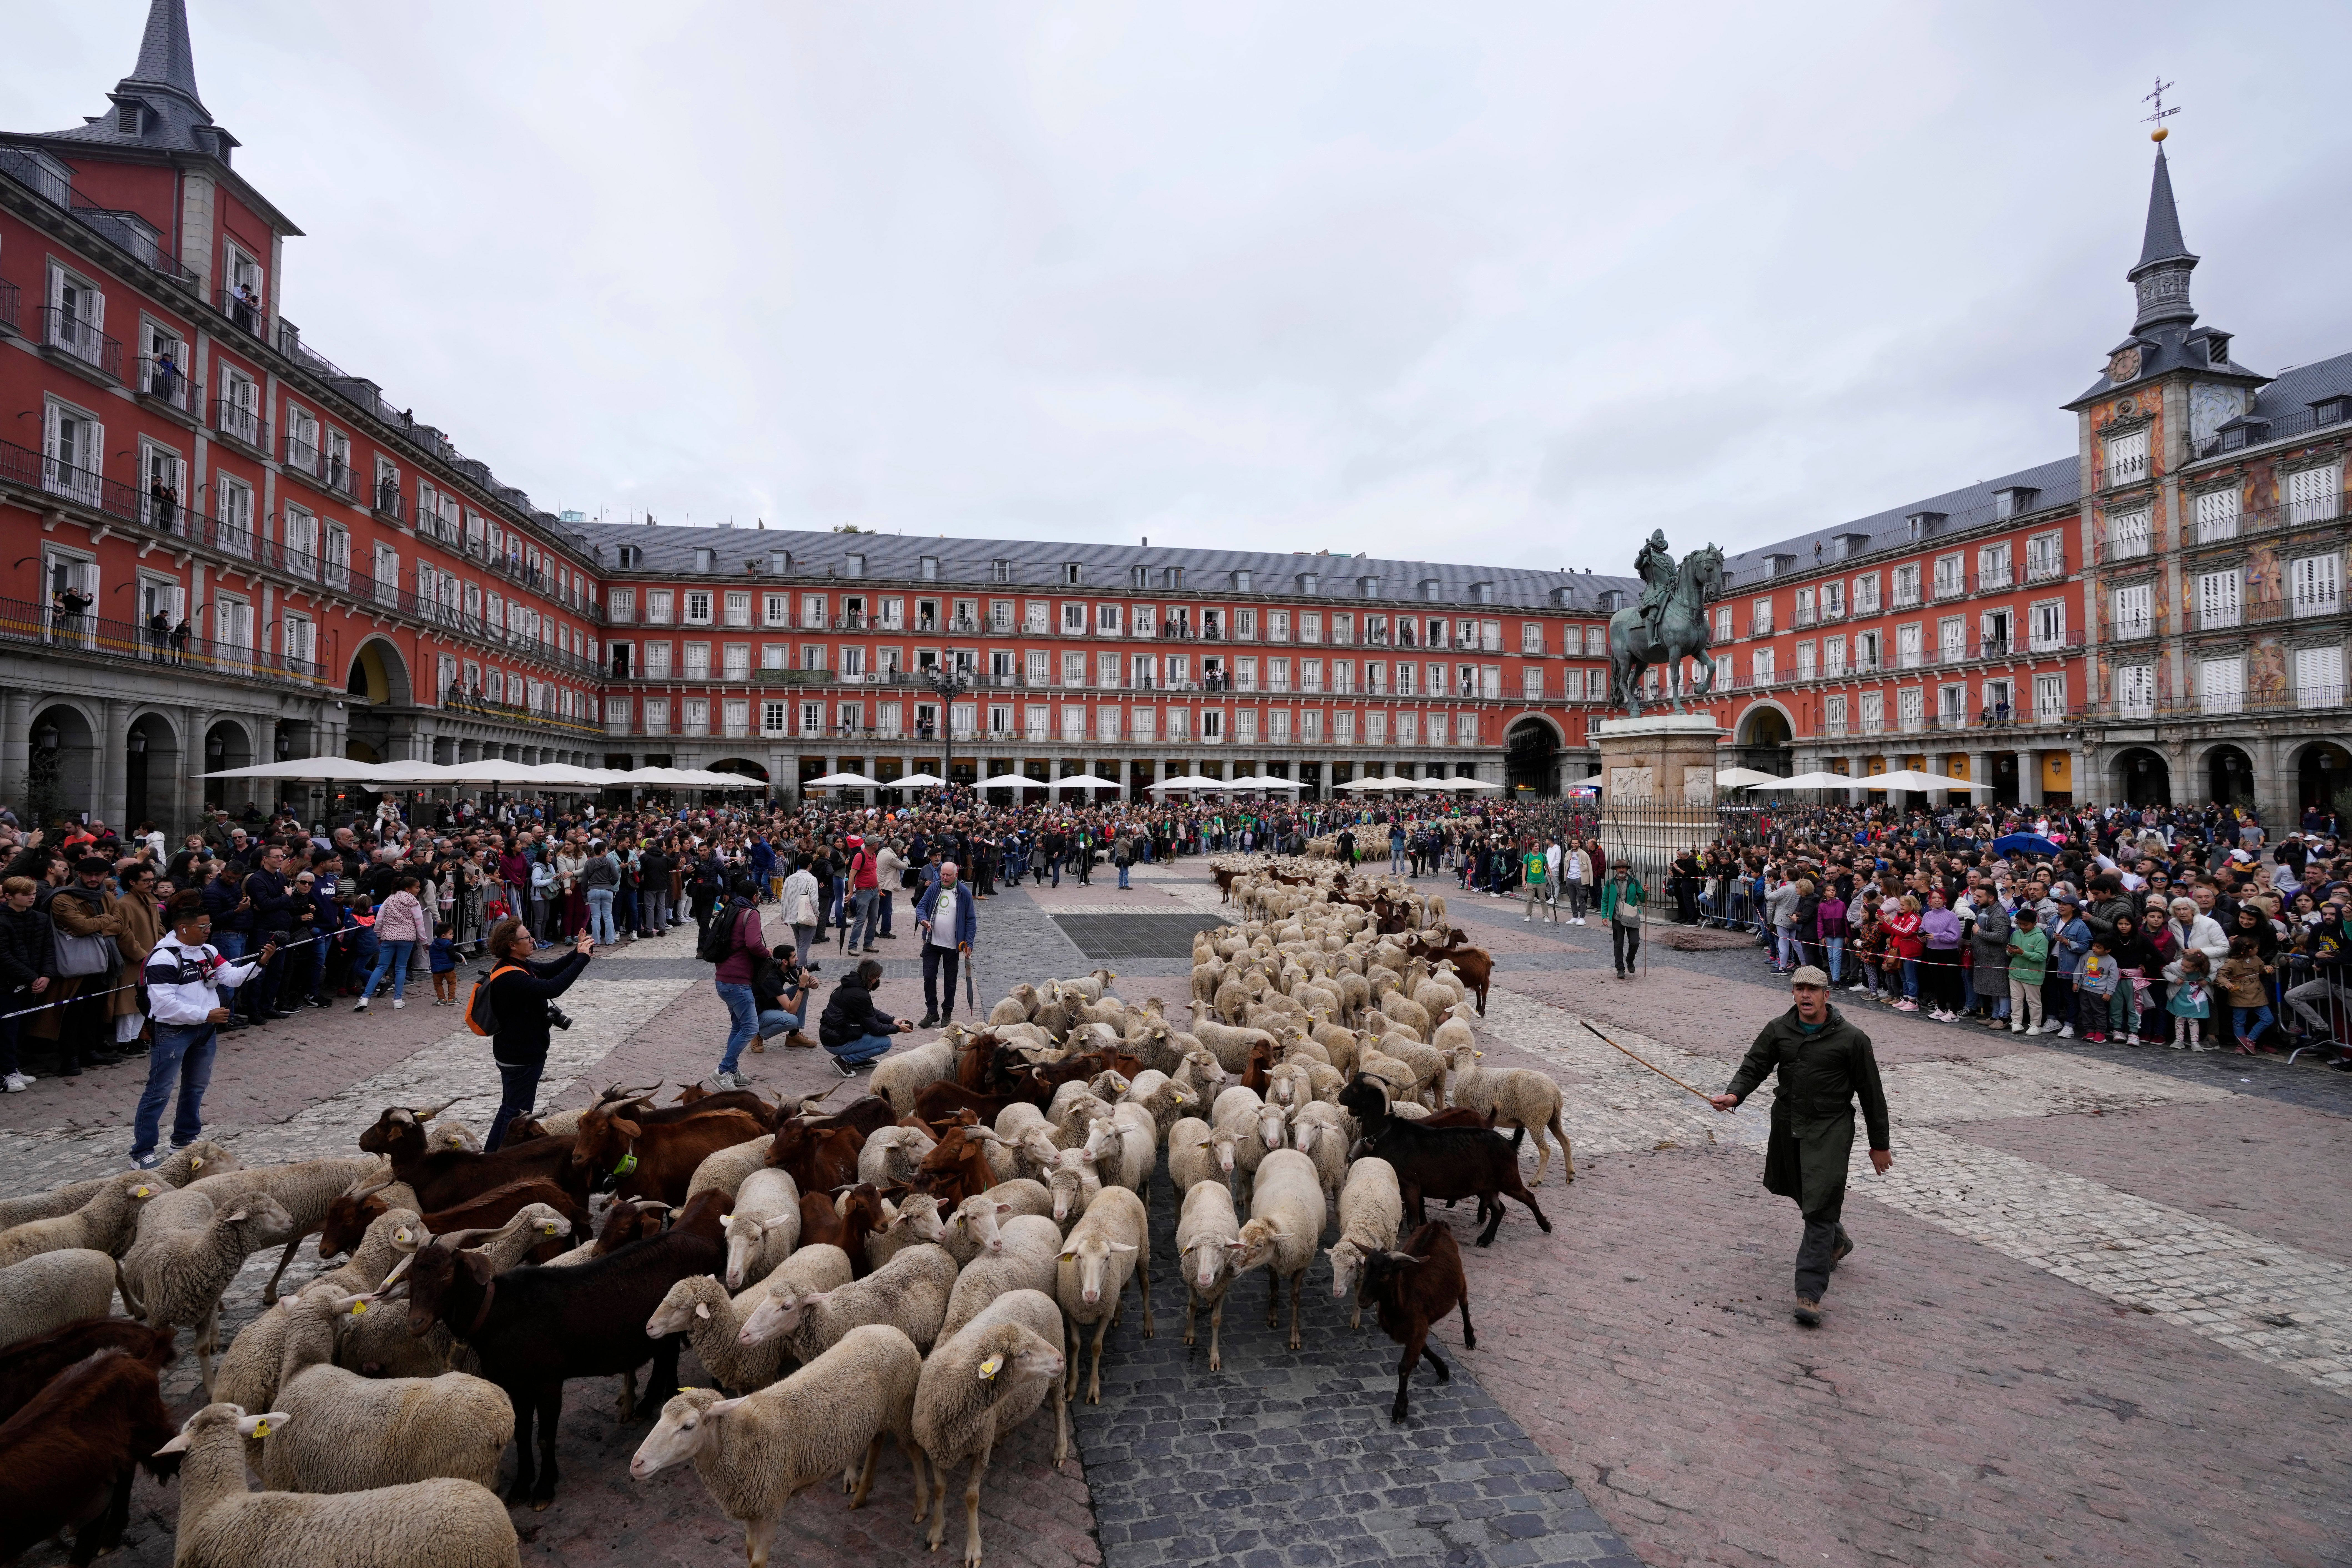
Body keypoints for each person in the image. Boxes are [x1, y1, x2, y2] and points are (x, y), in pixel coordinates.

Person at [1710, 966, 1893, 1329]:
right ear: (1793, 994)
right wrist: (1735, 1094)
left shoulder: (1853, 1039)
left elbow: (1873, 1096)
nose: (1805, 995)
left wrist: (1879, 1145)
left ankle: (1808, 1294)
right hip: (1788, 1125)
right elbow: (1755, 1065)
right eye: (1799, 989)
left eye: (1813, 989)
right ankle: (1837, 1240)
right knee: (1800, 1191)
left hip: (1830, 1130)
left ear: (1827, 995)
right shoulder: (1779, 1029)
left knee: (1821, 1205)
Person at [133, 892, 273, 1168]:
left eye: (210, 926)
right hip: (174, 1031)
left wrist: (259, 963)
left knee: (195, 1087)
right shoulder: (163, 957)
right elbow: (163, 1005)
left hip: (205, 1031)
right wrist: (205, 1014)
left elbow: (231, 977)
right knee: (159, 1091)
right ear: (184, 928)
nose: (210, 931)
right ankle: (142, 1151)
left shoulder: (208, 951)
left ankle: (184, 1140)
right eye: (204, 927)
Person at [481, 918, 593, 1149]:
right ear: (512, 945)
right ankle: (502, 1160)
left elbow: (551, 970)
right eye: (526, 937)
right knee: (518, 1115)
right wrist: (582, 959)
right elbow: (552, 988)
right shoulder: (510, 975)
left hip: (516, 1051)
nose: (533, 940)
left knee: (509, 1108)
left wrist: (576, 952)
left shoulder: (517, 964)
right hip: (521, 1056)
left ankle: (491, 1154)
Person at [708, 878, 765, 1090]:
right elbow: (753, 944)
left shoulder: (729, 911)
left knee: (738, 1025)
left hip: (723, 978)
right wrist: (767, 952)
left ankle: (732, 1070)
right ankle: (723, 1071)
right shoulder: (751, 914)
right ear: (754, 897)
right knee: (751, 1027)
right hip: (738, 982)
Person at [818, 956, 910, 1077]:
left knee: (869, 1034)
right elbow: (875, 1028)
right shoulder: (859, 994)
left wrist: (892, 1021)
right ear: (870, 977)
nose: (878, 981)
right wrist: (898, 1029)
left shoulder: (851, 985)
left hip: (831, 1034)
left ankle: (859, 1061)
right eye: (877, 978)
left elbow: (869, 1011)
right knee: (885, 1043)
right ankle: (844, 1060)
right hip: (836, 1040)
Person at [914, 860, 976, 1028]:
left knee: (950, 981)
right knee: (929, 978)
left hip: (952, 946)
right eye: (943, 874)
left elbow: (971, 920)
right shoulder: (934, 888)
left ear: (956, 875)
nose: (945, 878)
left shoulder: (963, 892)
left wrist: (969, 943)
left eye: (949, 875)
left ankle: (947, 1013)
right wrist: (923, 920)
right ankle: (932, 1012)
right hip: (932, 943)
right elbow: (921, 907)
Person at [356, 874, 427, 1010]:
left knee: (381, 967)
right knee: (401, 968)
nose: (419, 890)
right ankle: (398, 1000)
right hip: (407, 938)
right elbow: (419, 923)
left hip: (388, 937)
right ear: (408, 889)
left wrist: (378, 934)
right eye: (417, 888)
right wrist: (424, 941)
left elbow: (380, 919)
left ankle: (365, 998)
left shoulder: (389, 899)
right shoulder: (414, 902)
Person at [752, 942, 817, 1050]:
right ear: (785, 961)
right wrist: (802, 986)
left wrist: (813, 984)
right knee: (792, 1020)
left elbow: (802, 981)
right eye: (794, 957)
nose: (797, 959)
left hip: (770, 1004)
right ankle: (757, 1034)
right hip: (758, 1014)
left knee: (803, 990)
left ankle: (794, 1036)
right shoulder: (771, 976)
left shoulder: (785, 968)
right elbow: (791, 1010)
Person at [2005, 906, 2048, 1034]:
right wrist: (2011, 952)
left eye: (2026, 925)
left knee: (2033, 1001)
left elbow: (2041, 957)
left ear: (2035, 924)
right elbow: (2010, 954)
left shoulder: (2041, 937)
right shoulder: (2016, 934)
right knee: (2016, 999)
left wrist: (2023, 952)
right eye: (2020, 924)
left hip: (2033, 975)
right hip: (2015, 972)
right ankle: (2016, 1022)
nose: (2023, 927)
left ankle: (2036, 1025)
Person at [1599, 857, 1644, 979]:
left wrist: (1645, 892)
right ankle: (1620, 968)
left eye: (1624, 867)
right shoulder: (1610, 883)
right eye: (1619, 868)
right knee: (1618, 944)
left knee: (1635, 942)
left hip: (1632, 918)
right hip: (1617, 918)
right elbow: (1605, 900)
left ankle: (1630, 960)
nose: (1622, 870)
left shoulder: (1635, 882)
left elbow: (1643, 899)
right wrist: (1605, 915)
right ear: (1616, 870)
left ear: (1627, 869)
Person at [429, 921, 458, 1004]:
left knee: (438, 985)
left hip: (436, 970)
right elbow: (453, 955)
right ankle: (452, 999)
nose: (453, 936)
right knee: (452, 983)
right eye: (451, 934)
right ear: (444, 936)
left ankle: (442, 999)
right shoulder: (449, 944)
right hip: (449, 969)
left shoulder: (433, 944)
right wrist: (461, 960)